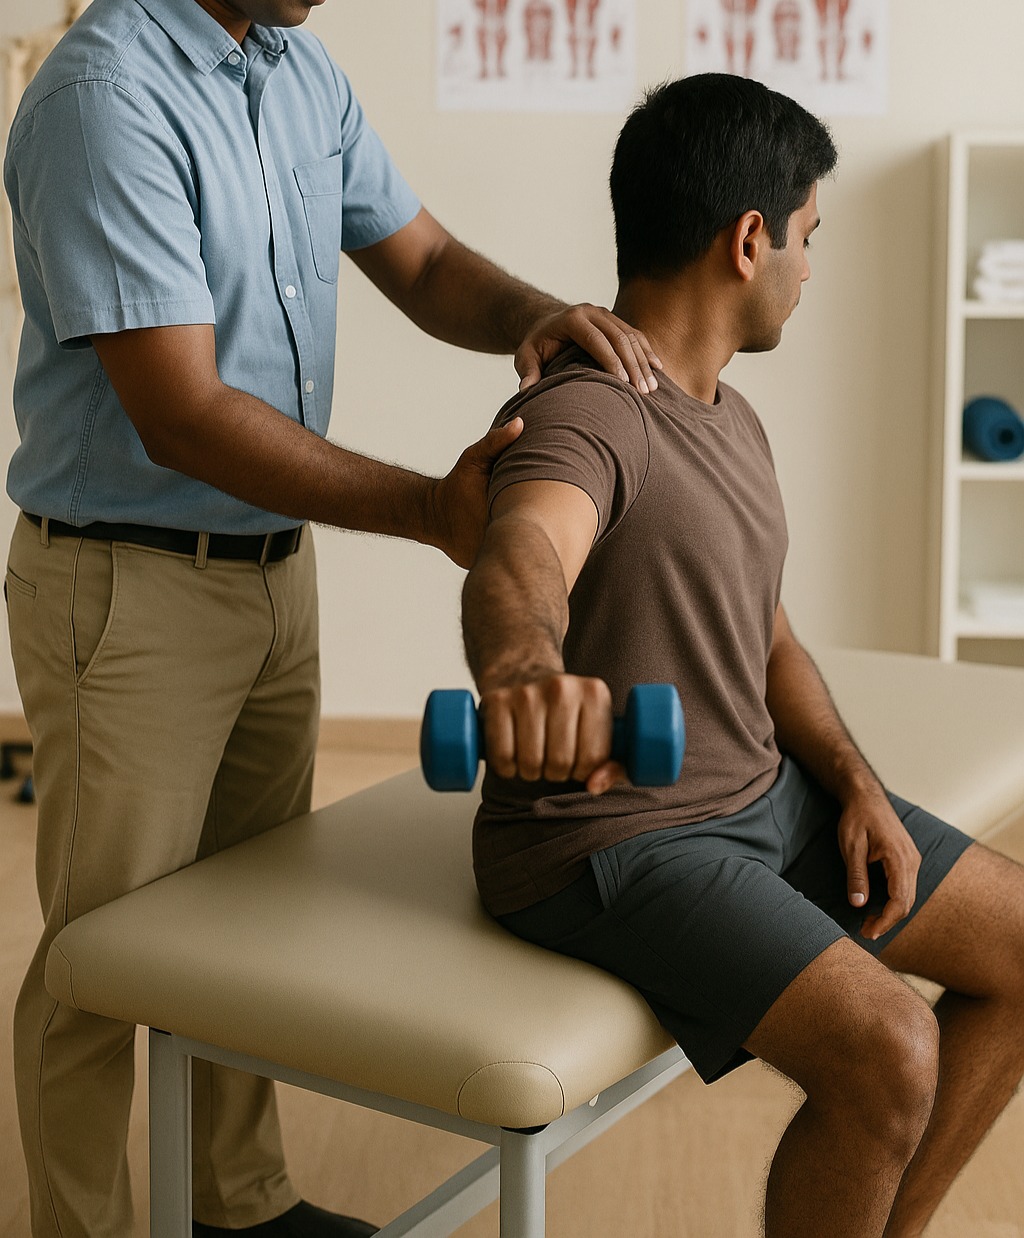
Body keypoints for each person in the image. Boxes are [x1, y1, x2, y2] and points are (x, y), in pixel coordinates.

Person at [1, 0, 664, 1234]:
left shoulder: (299, 71)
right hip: (128, 585)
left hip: (270, 568)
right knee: (99, 953)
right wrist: (427, 509)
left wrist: (533, 315)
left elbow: (422, 261)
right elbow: (181, 413)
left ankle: (237, 1203)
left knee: (247, 916)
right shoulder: (104, 97)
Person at [461, 73, 1024, 1238]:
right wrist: (522, 672)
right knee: (890, 1047)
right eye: (808, 236)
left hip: (762, 798)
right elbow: (522, 553)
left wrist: (854, 782)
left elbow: (768, 636)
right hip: (616, 839)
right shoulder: (588, 413)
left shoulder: (731, 416)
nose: (809, 268)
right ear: (748, 237)